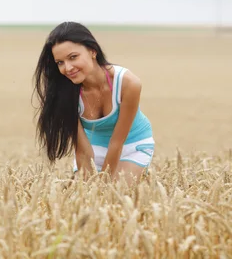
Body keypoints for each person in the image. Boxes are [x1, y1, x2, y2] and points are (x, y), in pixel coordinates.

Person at [32, 21, 155, 183]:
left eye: (73, 57)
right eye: (60, 62)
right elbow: (83, 152)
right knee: (84, 195)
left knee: (117, 189)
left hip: (132, 146)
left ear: (92, 51)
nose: (67, 68)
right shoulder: (65, 92)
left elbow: (117, 143)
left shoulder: (129, 83)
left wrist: (103, 183)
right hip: (94, 148)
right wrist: (90, 187)